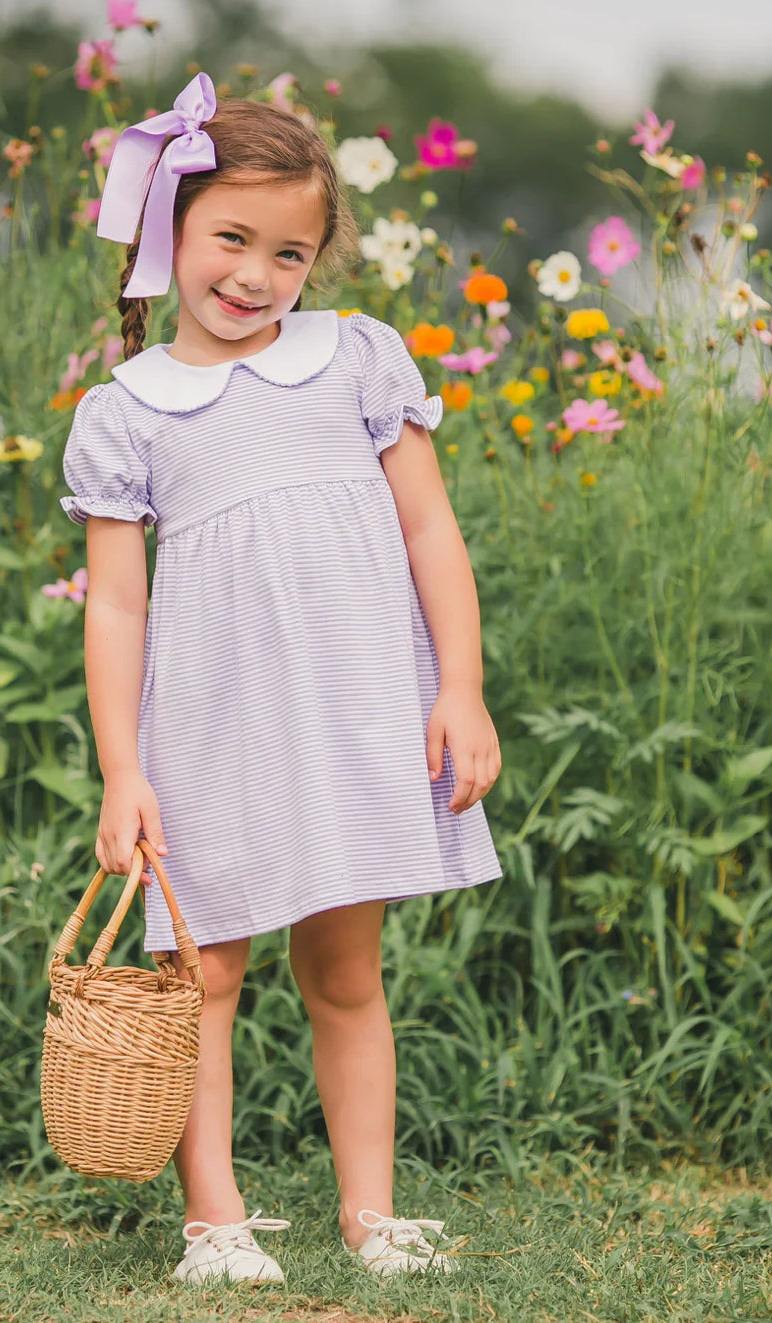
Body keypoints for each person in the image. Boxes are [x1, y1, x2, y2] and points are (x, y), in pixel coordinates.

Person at [59, 70, 504, 1287]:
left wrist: (456, 688)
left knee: (346, 972)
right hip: (209, 734)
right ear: (171, 233)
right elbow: (116, 600)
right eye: (231, 239)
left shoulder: (355, 359)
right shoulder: (129, 410)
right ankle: (217, 1223)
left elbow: (429, 532)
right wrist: (123, 771)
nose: (255, 274)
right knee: (203, 974)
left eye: (289, 252)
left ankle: (370, 1214)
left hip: (355, 719)